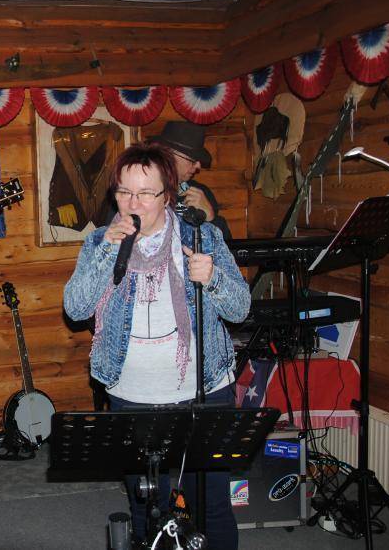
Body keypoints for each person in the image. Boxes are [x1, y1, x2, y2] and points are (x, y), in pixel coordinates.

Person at [63, 142, 249, 550]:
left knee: (212, 507)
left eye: (146, 193)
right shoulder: (100, 242)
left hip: (204, 392)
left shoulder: (203, 236)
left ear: (167, 196)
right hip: (132, 397)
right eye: (124, 192)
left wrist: (213, 278)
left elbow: (240, 308)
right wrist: (107, 251)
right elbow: (75, 308)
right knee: (147, 507)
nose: (133, 204)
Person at [151, 120, 232, 241]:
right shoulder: (139, 191)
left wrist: (211, 219)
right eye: (193, 160)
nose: (198, 166)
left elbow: (227, 248)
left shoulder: (200, 193)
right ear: (169, 156)